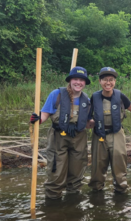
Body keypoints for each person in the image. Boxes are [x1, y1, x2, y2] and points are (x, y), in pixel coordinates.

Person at [30, 66, 92, 199]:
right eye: (75, 79)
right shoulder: (56, 94)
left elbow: (87, 124)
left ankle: (72, 205)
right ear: (70, 80)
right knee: (56, 174)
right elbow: (45, 115)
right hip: (59, 137)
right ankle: (53, 206)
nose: (78, 82)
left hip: (78, 138)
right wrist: (38, 119)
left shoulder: (86, 101)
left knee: (76, 175)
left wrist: (100, 123)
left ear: (85, 83)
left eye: (82, 80)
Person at [88, 67, 131, 193]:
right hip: (98, 134)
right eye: (105, 80)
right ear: (100, 81)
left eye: (111, 80)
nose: (108, 83)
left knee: (119, 166)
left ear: (115, 81)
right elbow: (87, 117)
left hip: (117, 133)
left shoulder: (120, 96)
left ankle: (121, 192)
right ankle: (96, 193)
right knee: (97, 167)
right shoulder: (94, 97)